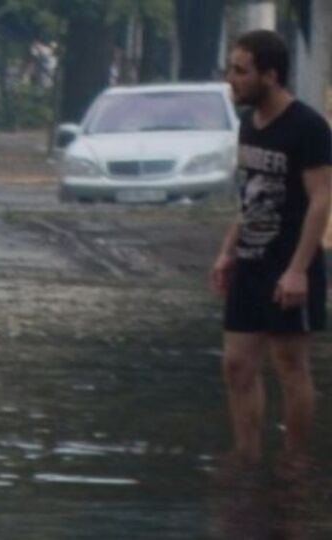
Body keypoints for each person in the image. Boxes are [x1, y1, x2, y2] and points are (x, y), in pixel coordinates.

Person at [213, 30, 331, 464]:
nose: (232, 79)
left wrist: (299, 269)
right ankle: (246, 457)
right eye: (231, 69)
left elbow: (322, 198)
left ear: (271, 74)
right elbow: (250, 194)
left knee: (289, 366)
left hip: (290, 263)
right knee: (237, 365)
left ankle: (295, 464)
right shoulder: (249, 124)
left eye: (241, 71)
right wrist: (228, 249)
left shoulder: (308, 127)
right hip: (250, 261)